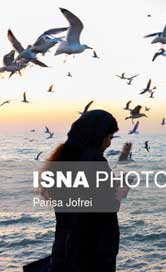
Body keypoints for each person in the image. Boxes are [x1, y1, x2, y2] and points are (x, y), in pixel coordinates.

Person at [45, 109, 123, 272]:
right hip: (93, 253)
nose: (109, 144)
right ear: (97, 135)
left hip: (65, 250)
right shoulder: (95, 162)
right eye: (109, 137)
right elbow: (108, 207)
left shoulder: (63, 159)